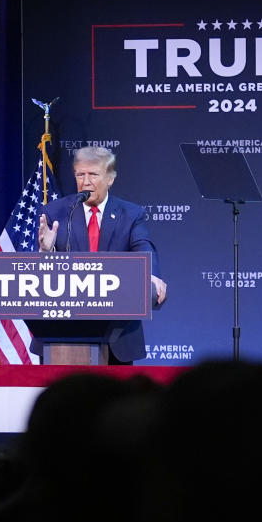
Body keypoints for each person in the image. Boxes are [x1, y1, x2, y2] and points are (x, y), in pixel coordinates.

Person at [37, 146, 167, 363]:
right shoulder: (56, 212)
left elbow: (143, 247)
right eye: (80, 174)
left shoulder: (131, 214)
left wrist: (150, 274)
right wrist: (46, 251)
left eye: (93, 175)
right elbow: (41, 275)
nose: (86, 182)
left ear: (110, 179)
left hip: (117, 334)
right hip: (62, 332)